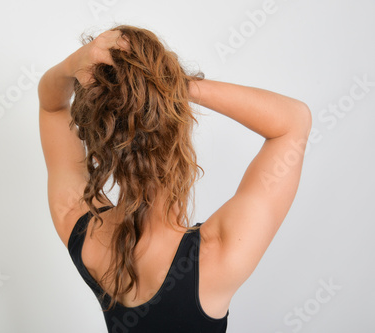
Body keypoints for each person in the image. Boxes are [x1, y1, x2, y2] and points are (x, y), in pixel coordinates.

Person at [38, 24, 312, 332]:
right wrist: (172, 85)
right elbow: (294, 121)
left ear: (101, 141)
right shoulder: (217, 253)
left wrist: (72, 65)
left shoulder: (82, 233)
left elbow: (51, 107)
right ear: (177, 129)